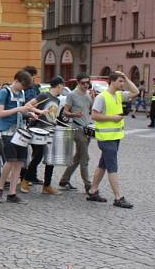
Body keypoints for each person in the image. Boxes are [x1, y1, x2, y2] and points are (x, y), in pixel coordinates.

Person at [87, 70, 138, 209]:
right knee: (112, 167)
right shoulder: (102, 97)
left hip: (115, 137)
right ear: (113, 81)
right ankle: (118, 197)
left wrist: (126, 77)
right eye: (120, 81)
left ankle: (92, 191)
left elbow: (136, 92)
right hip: (106, 138)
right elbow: (94, 116)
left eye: (123, 81)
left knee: (102, 164)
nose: (123, 84)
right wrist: (113, 118)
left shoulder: (119, 95)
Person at [0, 70, 43, 204]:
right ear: (17, 81)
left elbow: (22, 109)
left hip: (20, 131)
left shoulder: (21, 92)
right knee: (10, 161)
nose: (24, 89)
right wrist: (19, 110)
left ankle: (12, 193)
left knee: (20, 162)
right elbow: (0, 113)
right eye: (23, 86)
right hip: (8, 132)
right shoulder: (4, 92)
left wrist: (30, 113)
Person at [22, 76, 65, 195]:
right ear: (59, 85)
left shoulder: (57, 100)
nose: (63, 88)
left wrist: (56, 122)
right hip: (38, 130)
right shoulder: (44, 95)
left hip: (50, 130)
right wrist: (39, 112)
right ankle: (25, 180)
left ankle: (47, 185)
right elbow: (28, 105)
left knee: (50, 159)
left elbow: (52, 116)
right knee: (38, 156)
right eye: (63, 85)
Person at [59, 74, 93, 192]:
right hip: (77, 128)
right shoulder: (72, 95)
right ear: (78, 83)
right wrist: (74, 115)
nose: (85, 85)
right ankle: (88, 185)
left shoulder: (88, 94)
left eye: (87, 83)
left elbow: (89, 110)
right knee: (84, 157)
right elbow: (65, 112)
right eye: (83, 83)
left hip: (87, 129)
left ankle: (64, 179)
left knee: (78, 157)